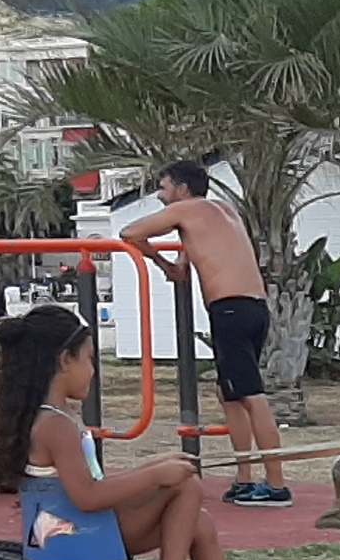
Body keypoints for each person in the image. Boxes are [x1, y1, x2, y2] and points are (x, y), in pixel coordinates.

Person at [0, 306, 241, 560]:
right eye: (89, 360)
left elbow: (90, 482)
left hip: (76, 527)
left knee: (199, 522)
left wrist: (154, 467)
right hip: (81, 533)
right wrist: (154, 475)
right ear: (65, 360)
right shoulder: (57, 426)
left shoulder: (51, 416)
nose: (92, 371)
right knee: (187, 486)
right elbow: (87, 496)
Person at [119, 160, 287, 505]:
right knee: (230, 393)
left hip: (230, 309)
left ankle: (276, 484)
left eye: (164, 187)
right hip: (255, 308)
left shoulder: (186, 209)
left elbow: (130, 233)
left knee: (251, 394)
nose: (160, 196)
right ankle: (244, 477)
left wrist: (163, 264)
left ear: (181, 189)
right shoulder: (224, 211)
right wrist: (182, 261)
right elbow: (206, 247)